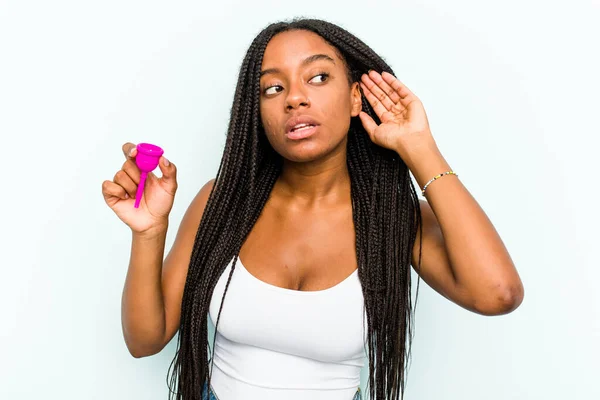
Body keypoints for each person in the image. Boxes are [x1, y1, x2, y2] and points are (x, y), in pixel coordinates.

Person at [101, 18, 524, 400]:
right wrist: (149, 233)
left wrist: (419, 148)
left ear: (357, 97)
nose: (295, 99)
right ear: (258, 112)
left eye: (318, 77)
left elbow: (498, 293)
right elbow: (145, 340)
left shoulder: (392, 218)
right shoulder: (223, 201)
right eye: (273, 87)